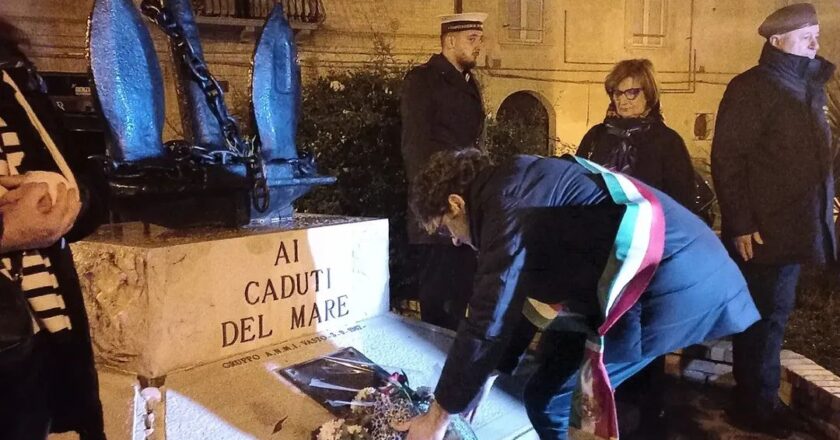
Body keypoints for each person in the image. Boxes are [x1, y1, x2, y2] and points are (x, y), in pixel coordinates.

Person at [403, 148, 759, 440]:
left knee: (556, 402)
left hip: (671, 279)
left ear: (455, 203)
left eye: (446, 228)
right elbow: (514, 305)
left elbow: (487, 318)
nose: (454, 241)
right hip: (664, 272)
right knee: (548, 390)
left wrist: (436, 419)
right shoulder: (513, 188)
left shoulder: (507, 203)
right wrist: (479, 380)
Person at [711, 3, 836, 437]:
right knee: (764, 319)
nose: (816, 43)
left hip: (795, 226)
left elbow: (816, 159)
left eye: (816, 34)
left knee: (773, 317)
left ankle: (758, 399)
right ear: (777, 41)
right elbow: (728, 159)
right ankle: (756, 408)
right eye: (806, 37)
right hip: (764, 232)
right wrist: (741, 222)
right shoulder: (753, 87)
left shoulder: (808, 88)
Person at [0, 18, 107, 440]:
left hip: (42, 349)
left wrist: (61, 200)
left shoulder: (12, 76)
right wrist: (9, 232)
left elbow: (86, 185)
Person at [399, 12, 487, 330]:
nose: (478, 46)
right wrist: (433, 208)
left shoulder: (470, 84)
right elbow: (415, 146)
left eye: (480, 39)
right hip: (438, 215)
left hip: (466, 209)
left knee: (461, 299)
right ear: (450, 41)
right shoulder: (422, 80)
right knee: (439, 307)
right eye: (471, 39)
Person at [577, 58, 696, 210]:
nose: (622, 100)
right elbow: (577, 184)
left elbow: (682, 201)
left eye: (631, 93)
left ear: (648, 94)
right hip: (599, 221)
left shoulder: (668, 141)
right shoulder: (597, 135)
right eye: (618, 93)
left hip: (649, 222)